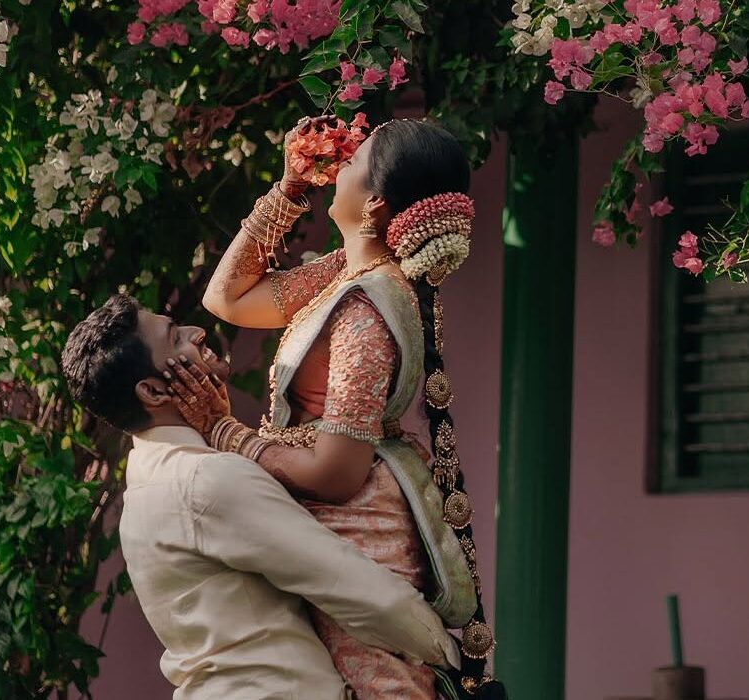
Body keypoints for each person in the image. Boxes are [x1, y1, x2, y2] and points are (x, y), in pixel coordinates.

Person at [172, 115, 505, 699]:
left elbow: (338, 470)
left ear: (374, 204)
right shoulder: (347, 275)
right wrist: (289, 189)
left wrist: (223, 431)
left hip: (357, 536)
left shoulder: (366, 309)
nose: (338, 167)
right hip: (331, 527)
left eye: (351, 163)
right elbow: (226, 297)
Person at [60, 294, 459, 700]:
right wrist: (449, 652)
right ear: (153, 391)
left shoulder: (147, 483)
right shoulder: (206, 480)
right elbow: (352, 586)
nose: (198, 333)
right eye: (175, 337)